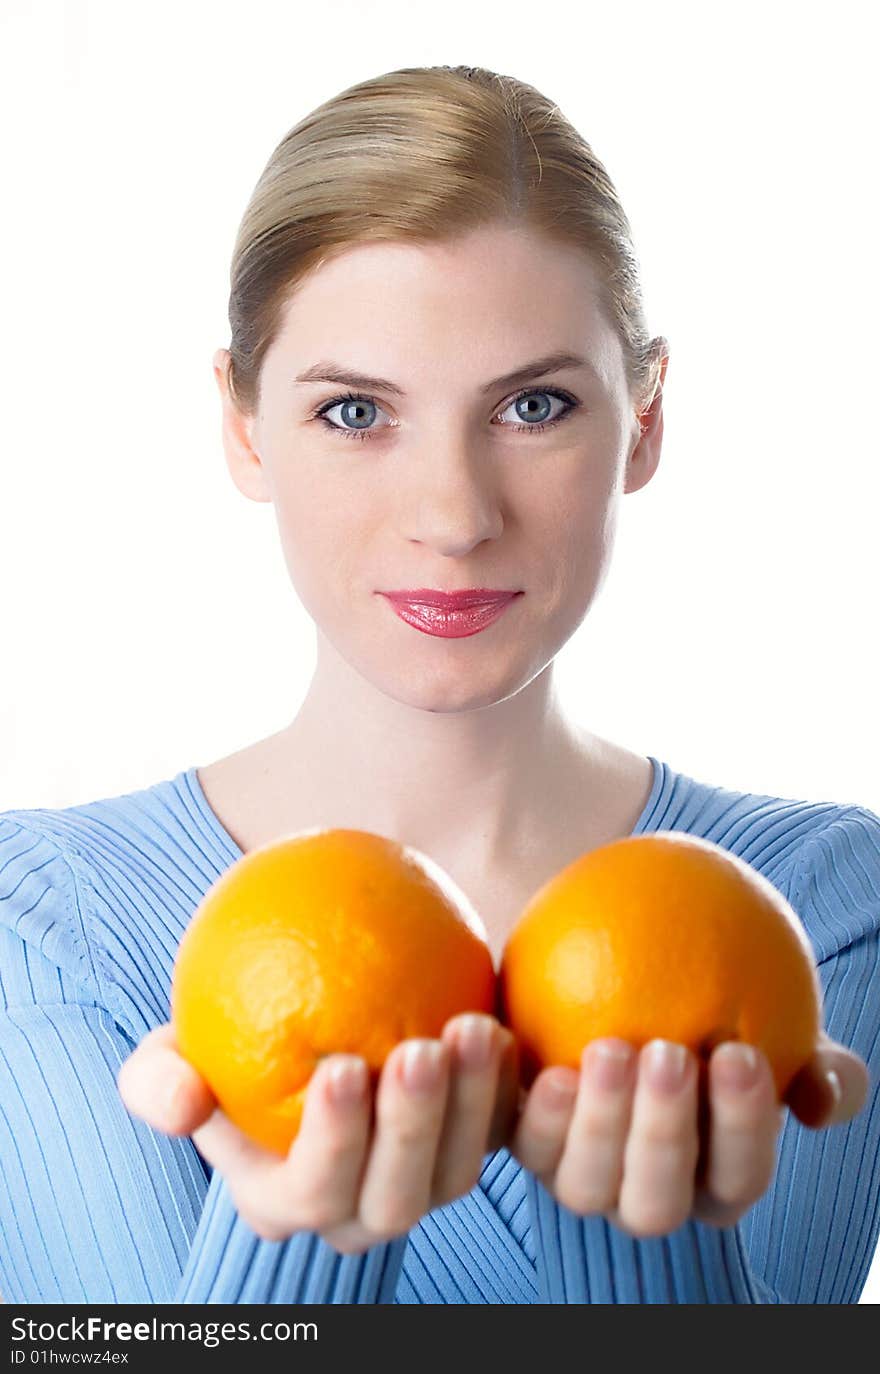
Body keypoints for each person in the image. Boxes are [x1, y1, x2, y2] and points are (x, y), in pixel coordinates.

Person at [1, 62, 878, 1306]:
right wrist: (298, 1248)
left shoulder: (828, 910)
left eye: (532, 404)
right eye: (357, 412)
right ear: (244, 425)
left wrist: (648, 1237)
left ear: (644, 419)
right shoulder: (35, 931)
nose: (455, 517)